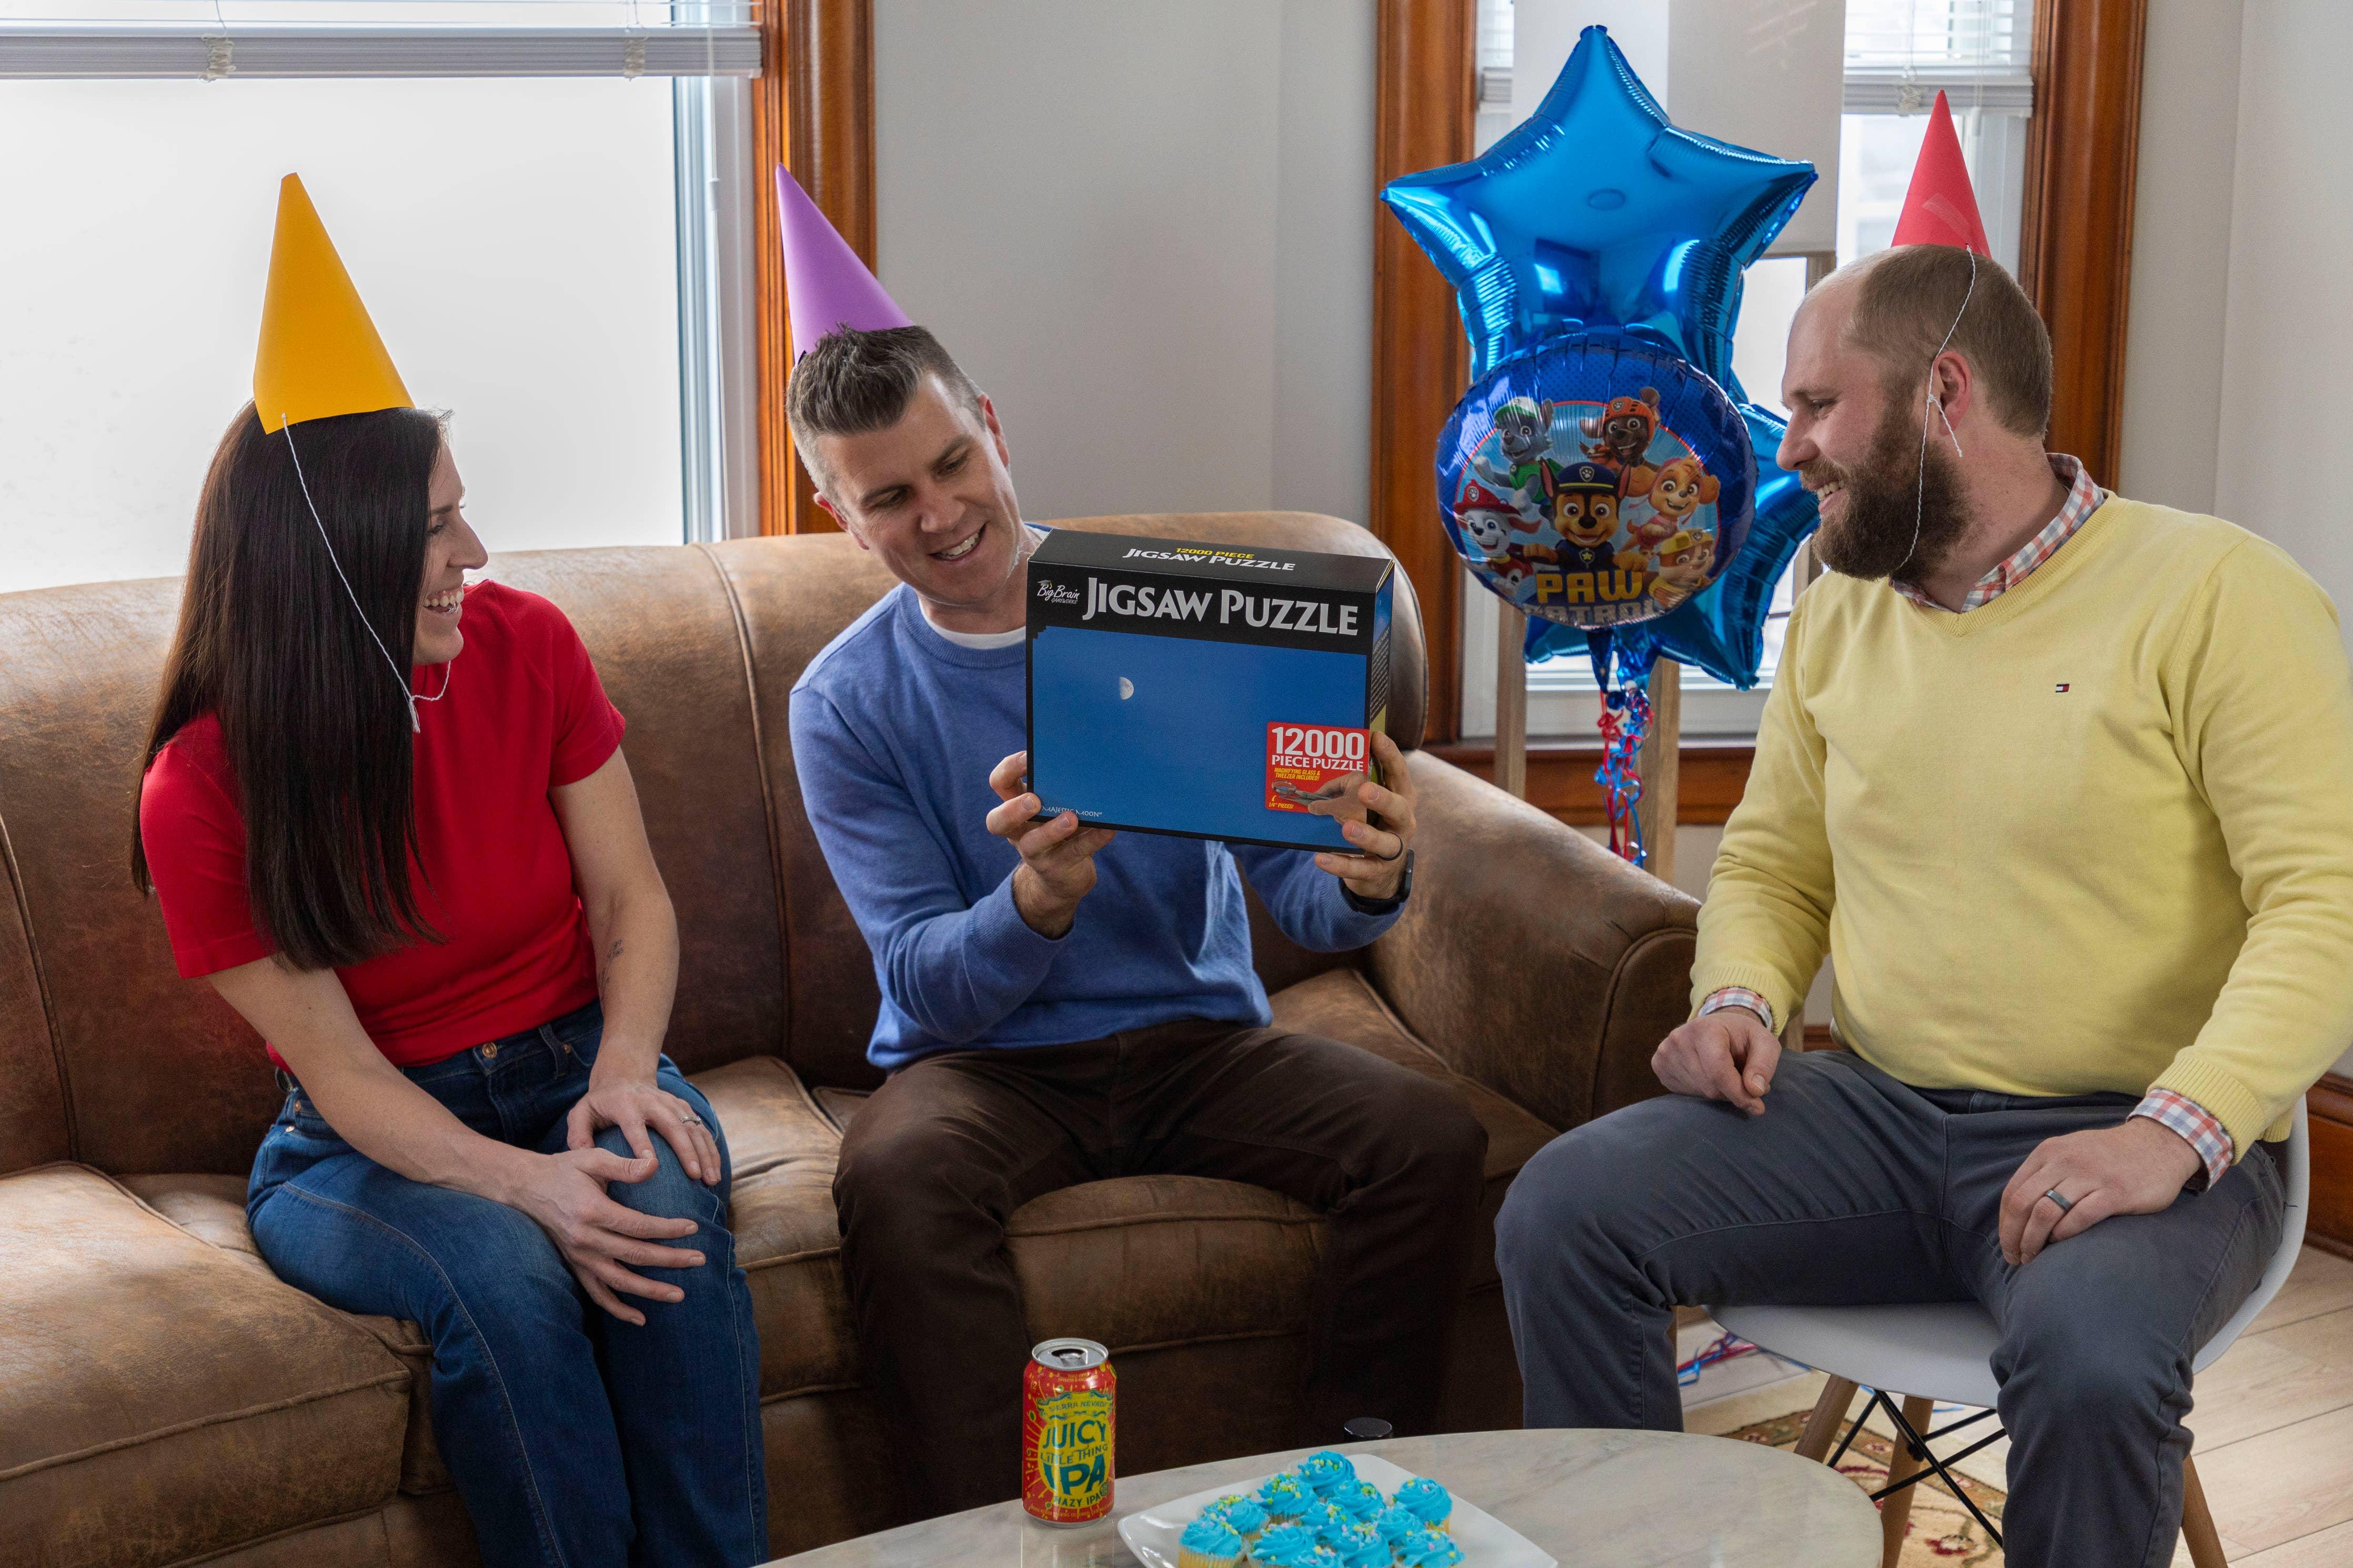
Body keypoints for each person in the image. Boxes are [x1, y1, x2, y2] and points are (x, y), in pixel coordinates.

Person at [1494, 237, 2353, 1568]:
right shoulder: (1838, 612)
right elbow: (1778, 863)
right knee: (1563, 1213)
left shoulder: (2221, 596)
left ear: (1943, 394)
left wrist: (2164, 1137)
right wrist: (1738, 999)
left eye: (1817, 405)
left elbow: (2324, 905)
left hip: (2145, 1136)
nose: (1789, 451)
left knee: (2091, 1361)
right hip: (1881, 1119)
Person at [133, 176, 765, 1568]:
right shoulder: (203, 783)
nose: (472, 554)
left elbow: (631, 903)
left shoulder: (527, 643)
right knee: (505, 1266)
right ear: (328, 557)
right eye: (433, 527)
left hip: (577, 1059)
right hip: (364, 1137)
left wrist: (622, 1074)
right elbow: (347, 1080)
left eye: (461, 515)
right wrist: (527, 1184)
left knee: (659, 1202)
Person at [785, 321, 1489, 1514]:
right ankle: (991, 1531)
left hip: (1196, 1046)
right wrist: (1035, 905)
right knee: (896, 1177)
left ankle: (1339, 1490)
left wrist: (1368, 876)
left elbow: (1302, 899)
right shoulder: (844, 703)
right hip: (986, 1069)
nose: (941, 511)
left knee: (1429, 1140)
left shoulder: (1175, 615)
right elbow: (921, 980)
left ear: (994, 430)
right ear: (839, 513)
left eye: (953, 462)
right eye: (890, 496)